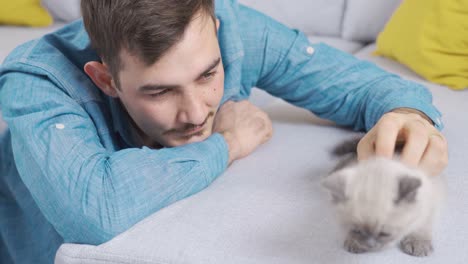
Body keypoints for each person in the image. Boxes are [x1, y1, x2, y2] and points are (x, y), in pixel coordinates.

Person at [0, 0, 448, 263]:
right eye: (159, 92)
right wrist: (226, 144)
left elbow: (370, 87)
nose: (196, 112)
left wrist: (408, 117)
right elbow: (95, 212)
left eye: (208, 73)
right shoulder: (37, 81)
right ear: (105, 79)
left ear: (215, 32)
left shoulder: (235, 27)